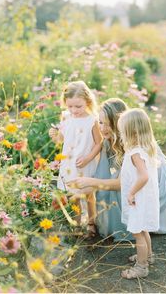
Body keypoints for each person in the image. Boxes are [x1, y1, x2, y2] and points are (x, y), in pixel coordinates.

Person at [68, 98, 166, 241]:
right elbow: (101, 175)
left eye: (108, 124)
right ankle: (124, 224)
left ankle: (138, 227)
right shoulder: (108, 141)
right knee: (105, 190)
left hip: (155, 187)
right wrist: (84, 184)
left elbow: (126, 182)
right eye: (100, 122)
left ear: (119, 124)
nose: (103, 128)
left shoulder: (133, 143)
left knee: (117, 191)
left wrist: (90, 182)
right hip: (138, 183)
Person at [49, 81, 102, 236]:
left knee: (88, 194)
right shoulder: (66, 116)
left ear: (88, 102)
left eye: (78, 106)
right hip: (69, 163)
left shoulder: (92, 120)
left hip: (86, 162)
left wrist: (88, 158)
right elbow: (61, 139)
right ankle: (77, 224)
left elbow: (99, 143)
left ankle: (91, 223)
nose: (74, 110)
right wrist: (54, 136)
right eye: (70, 106)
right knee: (73, 196)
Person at [117, 108, 159, 279]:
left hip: (138, 198)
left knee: (138, 234)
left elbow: (144, 176)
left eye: (122, 131)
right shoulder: (145, 148)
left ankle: (141, 267)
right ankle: (148, 256)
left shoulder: (135, 152)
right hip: (145, 197)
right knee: (143, 229)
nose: (120, 134)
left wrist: (131, 193)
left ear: (131, 132)